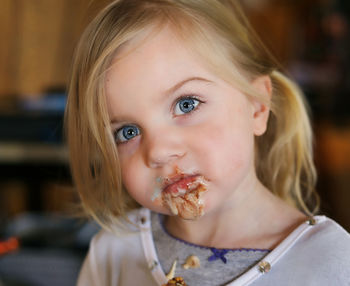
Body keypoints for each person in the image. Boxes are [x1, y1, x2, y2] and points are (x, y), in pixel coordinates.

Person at [65, 0, 350, 285]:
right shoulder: (113, 253)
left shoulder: (330, 262)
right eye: (127, 132)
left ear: (256, 107)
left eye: (186, 104)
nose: (159, 151)